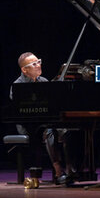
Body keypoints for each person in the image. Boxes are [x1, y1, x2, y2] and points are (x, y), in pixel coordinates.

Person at [10, 52, 83, 185]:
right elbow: (20, 111)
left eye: (39, 61)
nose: (38, 65)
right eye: (34, 64)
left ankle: (71, 170)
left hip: (45, 122)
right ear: (24, 69)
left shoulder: (44, 82)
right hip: (28, 126)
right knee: (49, 131)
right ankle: (58, 172)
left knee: (67, 130)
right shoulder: (17, 86)